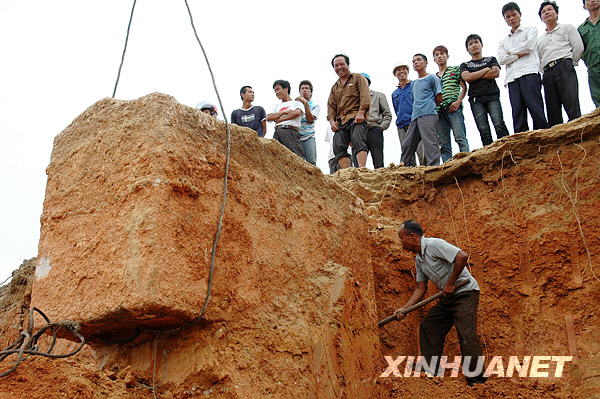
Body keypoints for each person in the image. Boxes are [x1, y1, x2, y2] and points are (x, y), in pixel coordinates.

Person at [394, 220, 486, 385]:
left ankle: (477, 379)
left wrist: (450, 283)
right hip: (448, 297)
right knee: (429, 326)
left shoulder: (434, 244)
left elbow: (462, 257)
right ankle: (431, 371)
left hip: (465, 293)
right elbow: (420, 289)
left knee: (466, 334)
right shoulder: (419, 260)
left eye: (402, 238)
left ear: (412, 236)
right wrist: (405, 308)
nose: (401, 242)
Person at [498, 2, 548, 133]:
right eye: (508, 17)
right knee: (518, 115)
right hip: (512, 79)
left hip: (529, 73)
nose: (511, 18)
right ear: (505, 19)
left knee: (536, 110)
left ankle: (544, 142)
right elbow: (502, 59)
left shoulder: (531, 30)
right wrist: (519, 53)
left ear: (520, 14)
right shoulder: (503, 41)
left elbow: (529, 46)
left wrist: (511, 52)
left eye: (514, 14)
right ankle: (523, 148)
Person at [536, 1, 584, 127]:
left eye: (549, 9)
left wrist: (570, 63)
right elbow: (539, 59)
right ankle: (558, 143)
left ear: (556, 13)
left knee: (571, 103)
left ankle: (579, 136)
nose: (546, 12)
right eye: (543, 12)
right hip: (548, 73)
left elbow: (578, 47)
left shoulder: (567, 28)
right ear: (541, 18)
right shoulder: (540, 40)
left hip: (564, 66)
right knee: (552, 110)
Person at [461, 34, 510, 146]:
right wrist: (486, 69)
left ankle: (507, 149)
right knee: (484, 130)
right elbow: (467, 78)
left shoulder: (491, 59)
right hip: (475, 99)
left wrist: (475, 75)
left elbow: (496, 73)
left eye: (476, 42)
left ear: (481, 44)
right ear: (467, 49)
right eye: (470, 44)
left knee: (499, 124)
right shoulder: (465, 65)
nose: (474, 45)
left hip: (492, 96)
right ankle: (489, 156)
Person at [327, 54, 371, 169]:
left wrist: (361, 112)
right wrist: (332, 121)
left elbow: (365, 95)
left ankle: (362, 169)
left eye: (342, 64)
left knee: (358, 141)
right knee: (338, 145)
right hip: (341, 120)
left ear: (348, 65)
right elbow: (331, 105)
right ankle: (348, 173)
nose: (339, 67)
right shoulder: (334, 87)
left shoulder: (358, 78)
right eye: (336, 65)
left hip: (356, 117)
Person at [400, 54, 442, 167]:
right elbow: (415, 99)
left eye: (419, 60)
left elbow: (439, 96)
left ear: (426, 63)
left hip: (428, 113)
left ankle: (434, 166)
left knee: (430, 142)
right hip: (415, 116)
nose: (416, 62)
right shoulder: (413, 83)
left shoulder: (432, 78)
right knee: (407, 143)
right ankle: (404, 166)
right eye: (413, 61)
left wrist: (430, 106)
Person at [433, 46, 470, 163]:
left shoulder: (455, 69)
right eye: (437, 54)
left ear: (447, 56)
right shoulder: (434, 77)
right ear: (434, 59)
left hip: (453, 106)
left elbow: (464, 87)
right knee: (443, 143)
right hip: (439, 110)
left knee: (460, 136)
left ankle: (465, 162)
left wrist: (458, 101)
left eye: (442, 54)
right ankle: (447, 166)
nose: (439, 56)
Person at [351, 73, 392, 169]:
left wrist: (380, 128)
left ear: (368, 82)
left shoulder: (379, 96)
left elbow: (387, 114)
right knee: (357, 166)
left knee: (378, 163)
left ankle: (381, 183)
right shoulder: (352, 100)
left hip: (374, 129)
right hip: (357, 132)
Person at [392, 64, 425, 166]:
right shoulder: (394, 93)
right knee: (407, 152)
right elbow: (396, 109)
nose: (401, 72)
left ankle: (427, 171)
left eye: (404, 69)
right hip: (401, 124)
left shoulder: (415, 85)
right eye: (398, 70)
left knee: (421, 150)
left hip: (415, 121)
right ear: (395, 75)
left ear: (407, 72)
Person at [266, 80, 305, 158]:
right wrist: (285, 112)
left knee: (296, 157)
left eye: (278, 89)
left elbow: (296, 113)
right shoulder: (276, 106)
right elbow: (268, 117)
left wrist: (280, 119)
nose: (276, 92)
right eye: (275, 91)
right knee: (276, 158)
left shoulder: (297, 103)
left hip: (290, 132)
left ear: (286, 88)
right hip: (277, 132)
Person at [578, 0, 600, 108]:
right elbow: (579, 49)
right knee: (598, 98)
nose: (593, 0)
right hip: (593, 67)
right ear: (584, 6)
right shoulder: (581, 29)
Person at [295, 80, 320, 165]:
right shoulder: (294, 105)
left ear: (311, 92)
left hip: (309, 137)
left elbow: (310, 119)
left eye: (307, 88)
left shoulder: (315, 106)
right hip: (295, 137)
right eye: (302, 89)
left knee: (311, 162)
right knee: (297, 163)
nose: (304, 90)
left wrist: (305, 104)